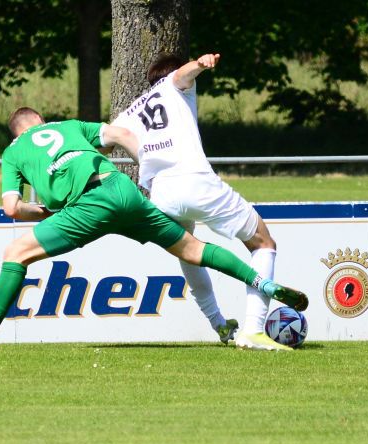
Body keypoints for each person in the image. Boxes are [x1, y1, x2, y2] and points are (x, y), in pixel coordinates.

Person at [0, 107, 307, 349]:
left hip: (88, 203)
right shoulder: (68, 126)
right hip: (122, 189)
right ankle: (263, 282)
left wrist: (43, 212)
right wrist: (146, 174)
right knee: (192, 248)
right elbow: (122, 136)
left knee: (15, 253)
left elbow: (10, 208)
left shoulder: (13, 151)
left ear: (16, 132)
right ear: (41, 120)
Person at [112, 53, 306, 351]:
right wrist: (199, 65)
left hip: (162, 193)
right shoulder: (174, 85)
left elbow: (110, 137)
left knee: (188, 250)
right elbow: (181, 76)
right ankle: (253, 331)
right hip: (195, 181)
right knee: (263, 243)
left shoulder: (130, 113)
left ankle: (219, 324)